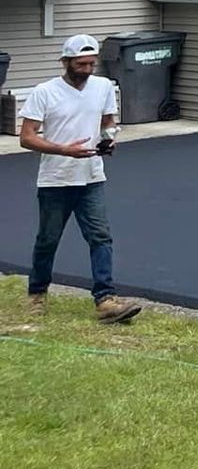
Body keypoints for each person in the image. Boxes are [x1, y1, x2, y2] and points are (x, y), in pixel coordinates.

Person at [19, 35, 141, 323]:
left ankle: (106, 299)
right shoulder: (44, 92)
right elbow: (26, 137)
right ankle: (37, 294)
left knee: (100, 236)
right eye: (81, 64)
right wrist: (64, 150)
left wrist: (109, 141)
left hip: (92, 177)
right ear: (66, 62)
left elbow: (108, 122)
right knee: (48, 240)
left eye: (91, 63)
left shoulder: (103, 87)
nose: (87, 69)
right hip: (55, 179)